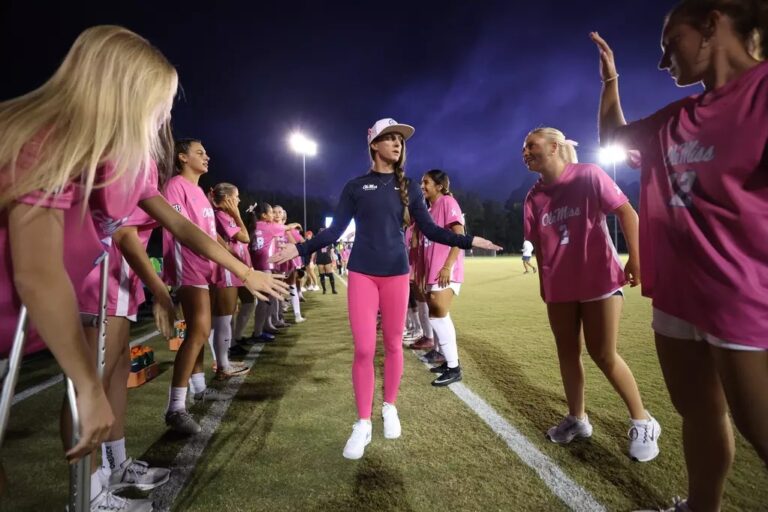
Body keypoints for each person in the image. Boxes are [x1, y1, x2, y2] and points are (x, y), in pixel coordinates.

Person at [591, 1, 768, 509]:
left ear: (713, 24)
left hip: (740, 301)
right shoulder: (676, 117)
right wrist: (610, 81)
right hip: (676, 299)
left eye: (670, 45)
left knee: (761, 432)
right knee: (700, 414)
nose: (665, 62)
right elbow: (611, 139)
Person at [271, 118, 501, 460]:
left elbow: (432, 230)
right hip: (363, 273)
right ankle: (362, 421)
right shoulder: (355, 186)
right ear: (373, 144)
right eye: (389, 138)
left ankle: (389, 407)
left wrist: (470, 240)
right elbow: (333, 234)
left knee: (394, 344)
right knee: (364, 349)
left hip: (396, 274)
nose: (397, 143)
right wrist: (299, 248)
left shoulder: (408, 186)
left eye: (400, 139)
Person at [522, 127, 661, 463]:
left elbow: (628, 213)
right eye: (523, 148)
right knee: (567, 354)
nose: (525, 152)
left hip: (599, 281)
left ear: (554, 147)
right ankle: (577, 419)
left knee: (604, 354)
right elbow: (540, 247)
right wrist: (545, 282)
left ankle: (643, 421)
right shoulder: (532, 197)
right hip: (561, 289)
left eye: (531, 145)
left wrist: (636, 258)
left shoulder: (588, 175)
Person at [162, 140, 287, 435]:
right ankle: (175, 407)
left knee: (200, 331)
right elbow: (181, 228)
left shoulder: (200, 196)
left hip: (204, 268)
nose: (207, 156)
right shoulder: (175, 186)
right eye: (199, 152)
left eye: (207, 152)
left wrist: (229, 262)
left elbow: (213, 237)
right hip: (186, 265)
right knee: (199, 330)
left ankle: (199, 388)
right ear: (182, 157)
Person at [418, 169, 466, 386]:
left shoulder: (447, 202)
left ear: (439, 186)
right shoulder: (429, 209)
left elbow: (459, 235)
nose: (422, 186)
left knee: (438, 315)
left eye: (426, 182)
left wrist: (447, 266)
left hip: (445, 269)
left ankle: (454, 368)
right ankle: (449, 362)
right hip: (433, 270)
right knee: (436, 314)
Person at [209, 182, 251, 379]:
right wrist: (237, 214)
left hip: (230, 269)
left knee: (226, 317)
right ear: (227, 199)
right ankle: (222, 366)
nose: (239, 200)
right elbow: (245, 238)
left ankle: (224, 362)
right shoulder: (221, 215)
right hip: (225, 269)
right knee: (223, 318)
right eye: (236, 196)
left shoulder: (222, 215)